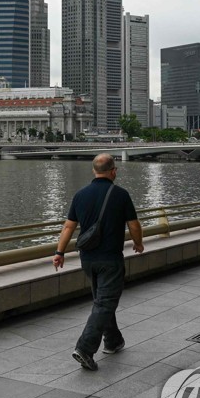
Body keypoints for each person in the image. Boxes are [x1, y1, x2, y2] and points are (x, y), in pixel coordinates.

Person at [53, 153, 144, 371]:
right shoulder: (121, 195)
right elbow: (133, 225)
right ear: (113, 171)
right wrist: (138, 243)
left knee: (103, 300)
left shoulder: (80, 194)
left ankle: (113, 341)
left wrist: (59, 252)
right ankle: (85, 348)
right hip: (110, 258)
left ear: (94, 171)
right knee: (104, 302)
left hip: (87, 259)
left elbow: (68, 227)